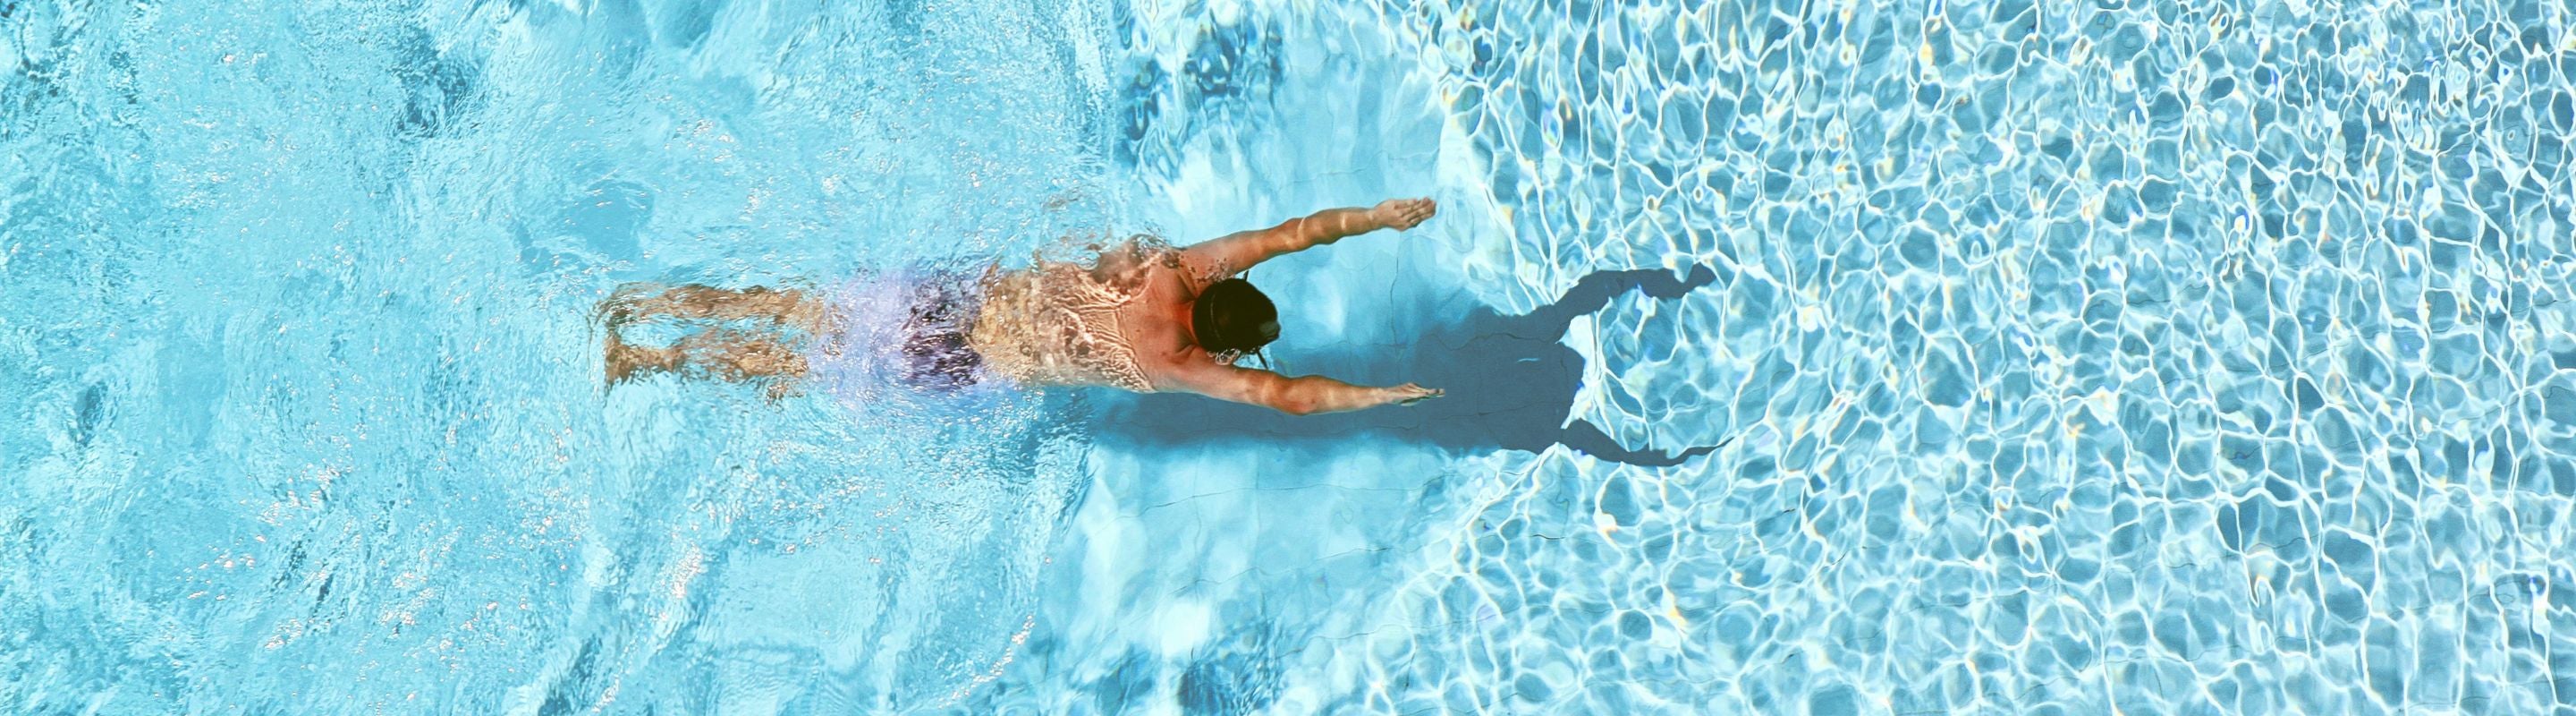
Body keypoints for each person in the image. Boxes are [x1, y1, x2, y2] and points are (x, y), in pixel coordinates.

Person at [600, 199, 1445, 413]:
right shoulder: (1176, 364)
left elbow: (1292, 235)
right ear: (1222, 345)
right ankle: (647, 359)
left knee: (793, 308)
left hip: (952, 296)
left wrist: (1379, 217)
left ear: (1222, 288)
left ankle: (648, 302)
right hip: (961, 361)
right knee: (798, 364)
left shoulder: (1178, 269)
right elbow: (1287, 396)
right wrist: (1380, 396)